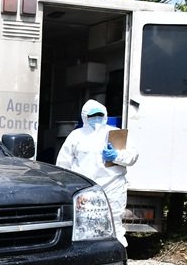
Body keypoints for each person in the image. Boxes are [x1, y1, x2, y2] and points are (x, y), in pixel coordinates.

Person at [55, 99, 139, 246]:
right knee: (84, 223)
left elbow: (133, 156)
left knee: (114, 223)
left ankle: (117, 256)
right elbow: (63, 164)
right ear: (85, 117)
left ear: (105, 115)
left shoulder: (115, 133)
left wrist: (117, 156)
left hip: (113, 186)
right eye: (93, 116)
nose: (97, 118)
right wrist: (68, 188)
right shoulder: (76, 136)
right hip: (85, 188)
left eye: (99, 115)